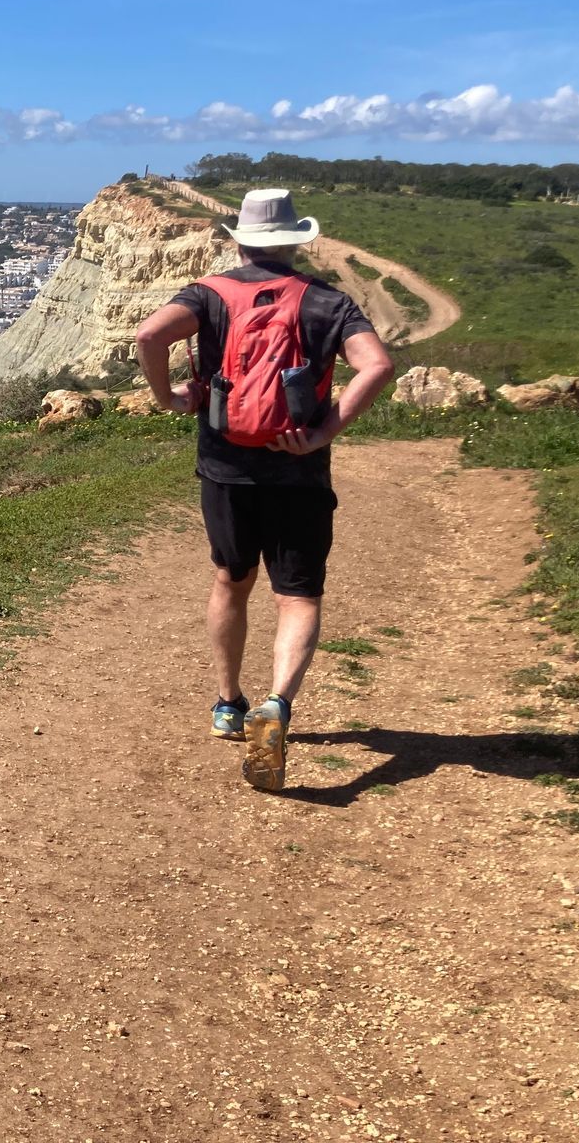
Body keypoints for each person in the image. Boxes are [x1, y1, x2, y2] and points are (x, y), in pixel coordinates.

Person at [135, 188, 394, 791]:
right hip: (299, 471)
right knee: (297, 596)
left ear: (241, 239)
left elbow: (150, 336)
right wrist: (325, 429)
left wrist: (168, 397)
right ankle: (277, 705)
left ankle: (228, 704)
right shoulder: (328, 302)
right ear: (296, 240)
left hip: (226, 467)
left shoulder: (208, 293)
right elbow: (376, 365)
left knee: (231, 579)